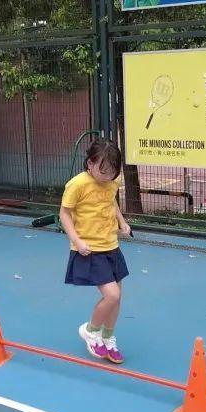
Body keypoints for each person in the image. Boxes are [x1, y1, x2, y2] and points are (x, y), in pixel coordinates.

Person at [60, 139, 132, 364]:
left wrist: (122, 222)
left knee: (117, 299)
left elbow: (111, 202)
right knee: (112, 295)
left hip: (111, 245)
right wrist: (76, 240)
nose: (108, 176)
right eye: (103, 171)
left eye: (112, 172)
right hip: (89, 249)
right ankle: (91, 331)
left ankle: (108, 337)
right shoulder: (77, 184)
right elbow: (64, 213)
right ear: (90, 163)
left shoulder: (111, 181)